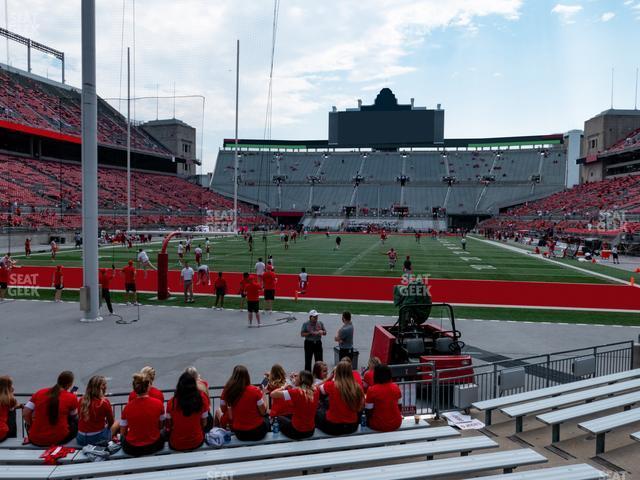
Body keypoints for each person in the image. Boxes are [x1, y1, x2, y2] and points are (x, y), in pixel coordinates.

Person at [23, 371, 78, 446]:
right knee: (75, 423)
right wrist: (73, 397)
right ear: (70, 384)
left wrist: (31, 426)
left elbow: (25, 413)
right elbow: (74, 416)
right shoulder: (71, 397)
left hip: (35, 438)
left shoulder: (39, 392)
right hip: (58, 439)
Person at [215, 366, 268, 441]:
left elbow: (223, 410)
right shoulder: (255, 391)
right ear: (247, 376)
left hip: (240, 434)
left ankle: (215, 433)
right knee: (267, 419)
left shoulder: (227, 390)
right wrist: (264, 394)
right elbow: (263, 412)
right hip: (258, 433)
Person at [120, 373, 165, 456]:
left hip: (132, 448)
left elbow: (123, 431)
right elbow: (161, 425)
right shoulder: (158, 404)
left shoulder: (127, 408)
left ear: (134, 389)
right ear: (148, 387)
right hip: (154, 445)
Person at [316, 361, 364, 435]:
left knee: (318, 412)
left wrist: (329, 378)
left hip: (333, 427)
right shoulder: (357, 387)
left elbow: (317, 389)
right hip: (352, 426)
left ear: (337, 372)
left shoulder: (331, 385)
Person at [270, 370, 319, 439]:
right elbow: (304, 388)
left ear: (300, 380)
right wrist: (295, 382)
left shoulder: (296, 392)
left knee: (278, 418)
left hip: (297, 431)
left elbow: (272, 394)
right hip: (311, 431)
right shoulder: (315, 390)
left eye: (297, 377)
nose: (295, 378)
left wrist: (283, 387)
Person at [166, 372, 209, 451]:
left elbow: (169, 424)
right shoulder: (202, 400)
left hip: (176, 443)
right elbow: (204, 423)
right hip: (197, 441)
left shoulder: (171, 403)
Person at [77, 376, 117, 446]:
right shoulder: (104, 402)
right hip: (96, 439)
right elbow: (111, 422)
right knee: (117, 423)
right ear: (102, 388)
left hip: (81, 438)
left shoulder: (81, 400)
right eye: (104, 384)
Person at [365, 364, 402, 432]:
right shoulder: (396, 387)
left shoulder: (372, 390)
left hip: (378, 424)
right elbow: (399, 406)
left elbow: (368, 411)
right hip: (396, 423)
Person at [0, 376, 20, 443]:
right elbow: (16, 405)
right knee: (12, 411)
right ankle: (12, 437)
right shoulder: (9, 400)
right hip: (1, 433)